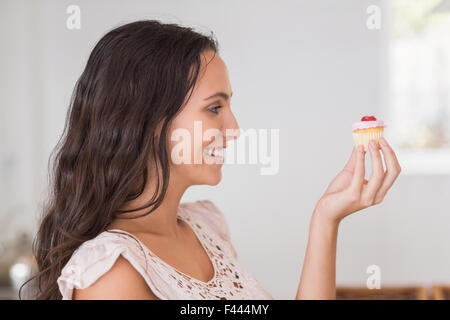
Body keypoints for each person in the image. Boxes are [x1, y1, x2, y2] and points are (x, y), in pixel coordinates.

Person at [23, 20, 401, 300]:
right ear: (149, 121)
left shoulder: (205, 227)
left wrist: (326, 218)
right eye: (214, 107)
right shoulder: (110, 273)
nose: (234, 129)